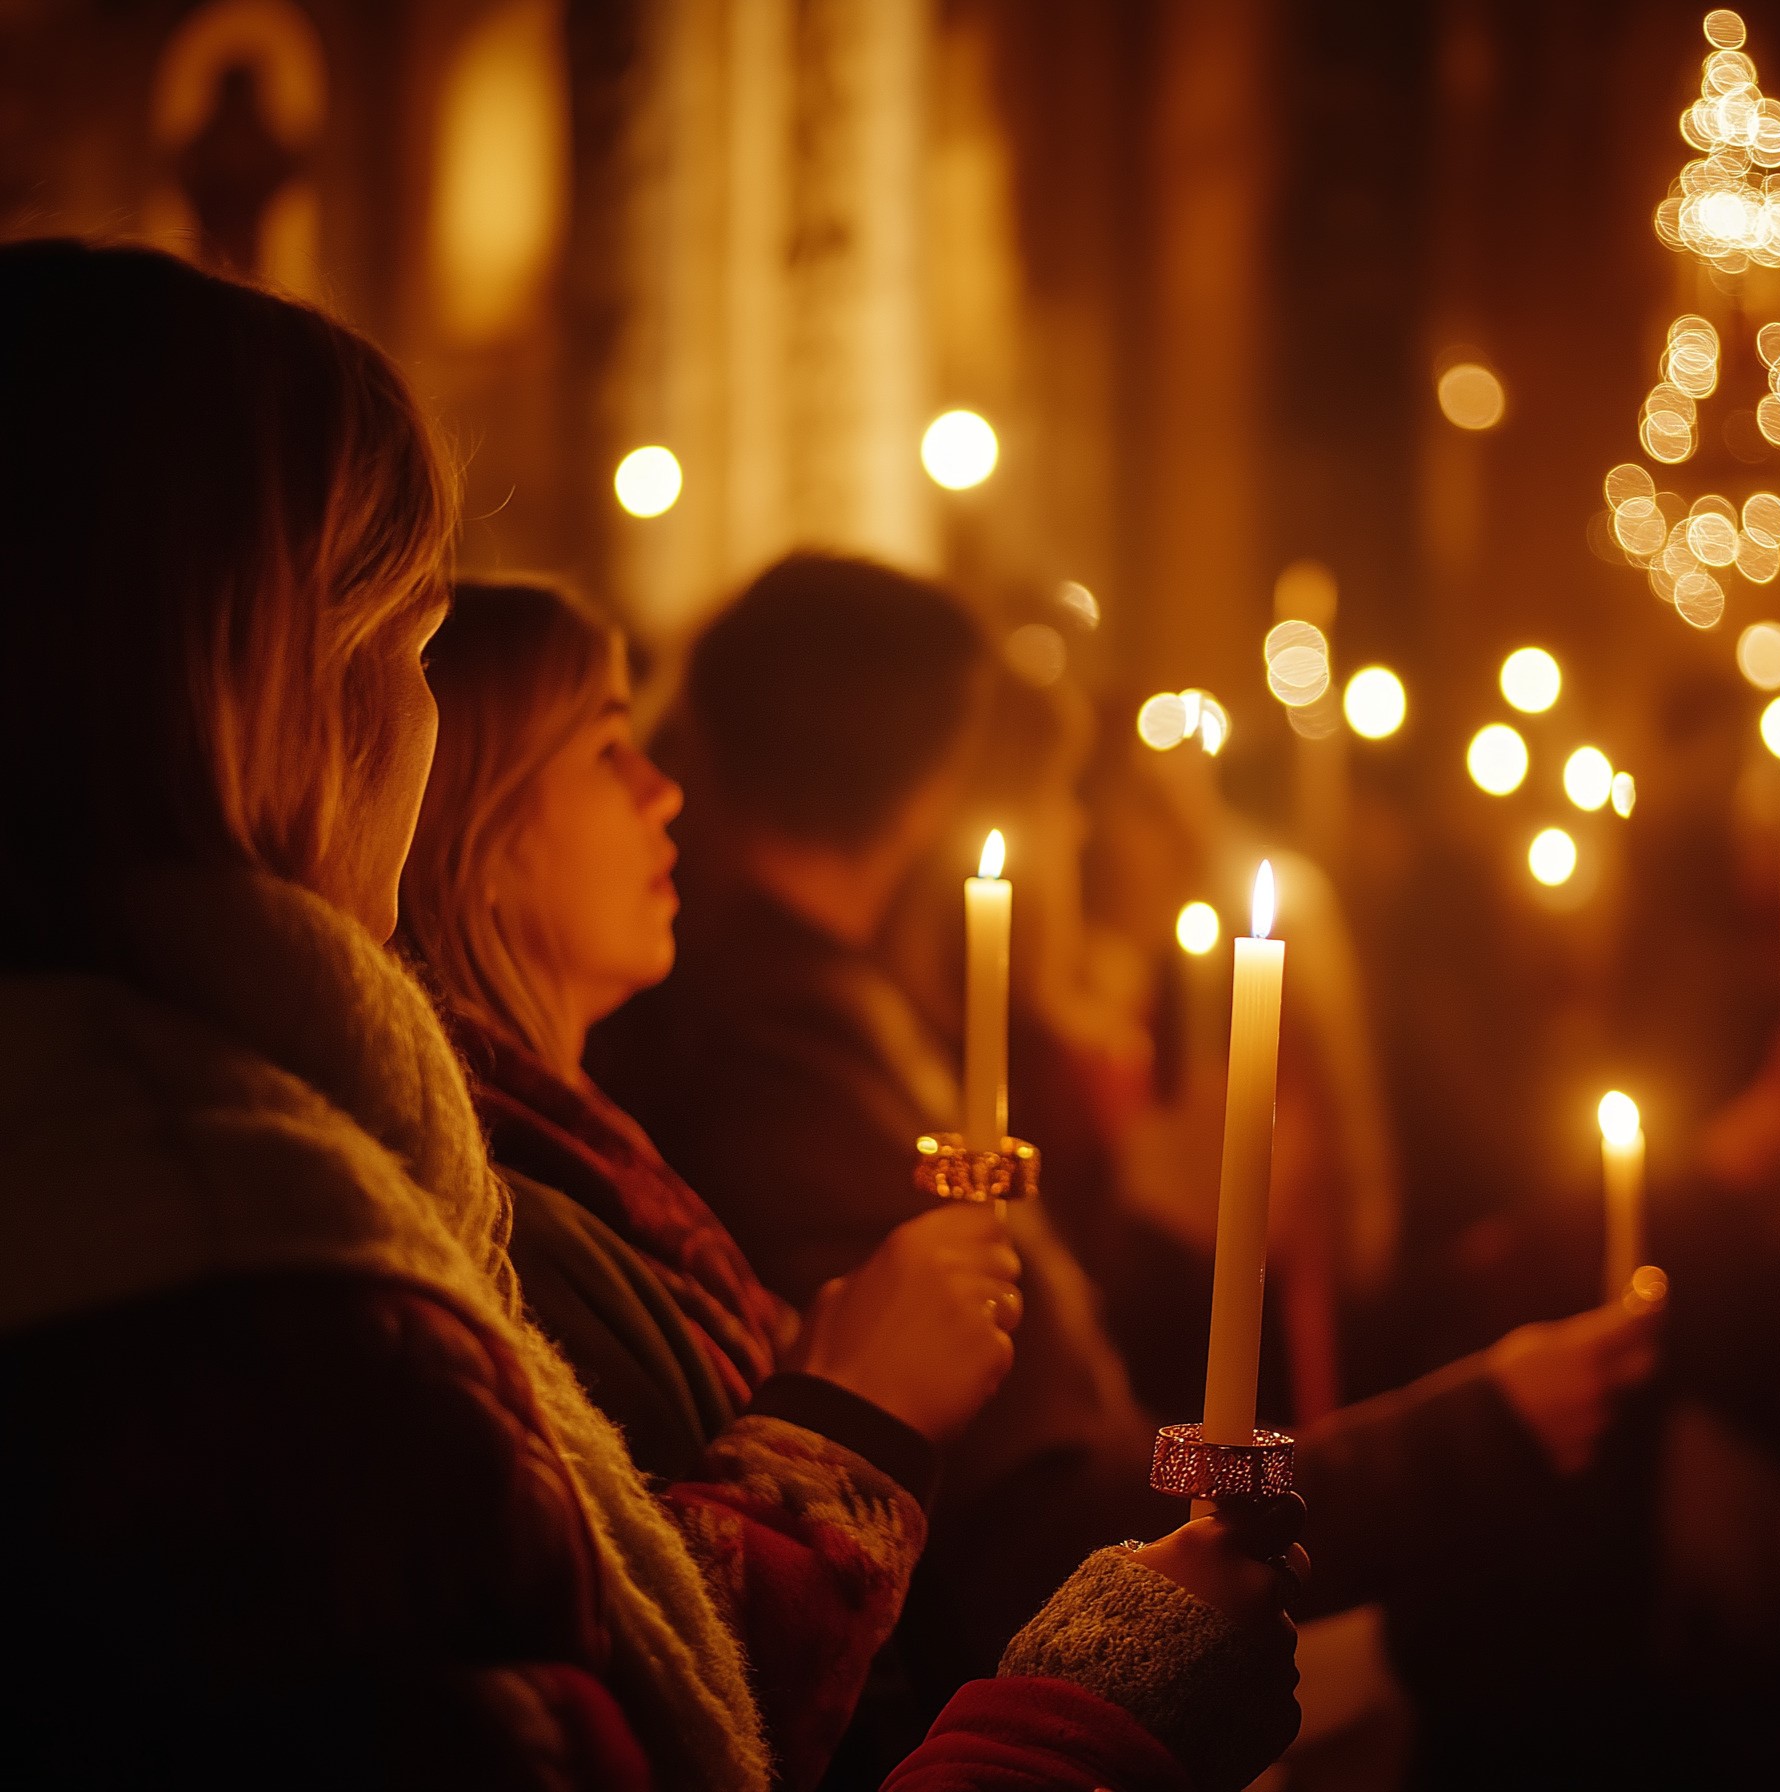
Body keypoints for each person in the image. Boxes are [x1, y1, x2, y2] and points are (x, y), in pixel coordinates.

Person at [0, 239, 1305, 1792]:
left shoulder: (321, 1209)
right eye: (413, 645)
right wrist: (1103, 1702)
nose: (666, 787)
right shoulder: (264, 1311)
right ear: (267, 698)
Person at [602, 553, 1667, 1773]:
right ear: (930, 789)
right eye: (1063, 796)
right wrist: (1472, 1427)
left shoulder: (855, 1032)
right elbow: (1050, 1507)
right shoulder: (788, 1068)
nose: (1079, 831)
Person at [399, 577, 1025, 1786]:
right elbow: (646, 1683)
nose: (665, 788)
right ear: (475, 820)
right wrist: (851, 1411)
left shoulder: (598, 1158)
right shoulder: (502, 1221)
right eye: (606, 748)